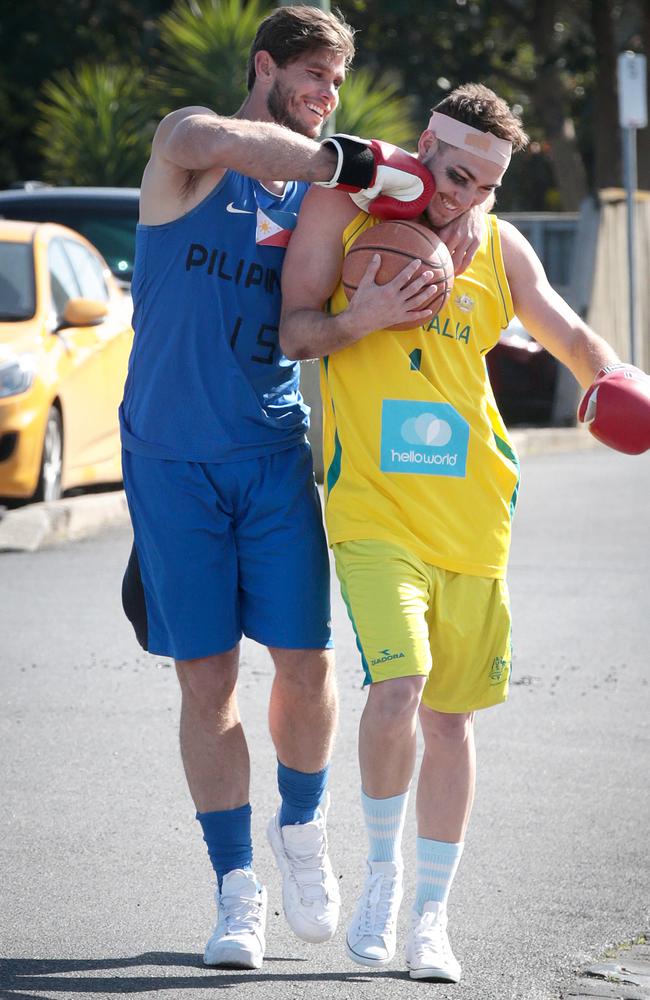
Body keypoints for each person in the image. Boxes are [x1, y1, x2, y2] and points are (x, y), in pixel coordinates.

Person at [118, 3, 486, 973]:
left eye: (334, 86)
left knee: (306, 666)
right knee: (204, 683)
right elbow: (193, 131)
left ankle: (302, 826)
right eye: (311, 79)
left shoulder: (322, 207)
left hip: (274, 453)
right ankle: (236, 891)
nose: (324, 99)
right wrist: (330, 157)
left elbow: (463, 203)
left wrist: (399, 249)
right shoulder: (192, 160)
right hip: (168, 459)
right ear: (264, 67)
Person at [279, 82, 650, 981]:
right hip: (371, 508)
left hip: (474, 512)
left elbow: (567, 333)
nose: (460, 199)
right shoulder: (351, 208)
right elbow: (292, 331)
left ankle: (432, 918)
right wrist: (361, 318)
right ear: (422, 149)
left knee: (452, 719)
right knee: (397, 688)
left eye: (481, 187)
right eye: (451, 177)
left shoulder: (501, 245)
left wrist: (616, 380)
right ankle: (381, 876)